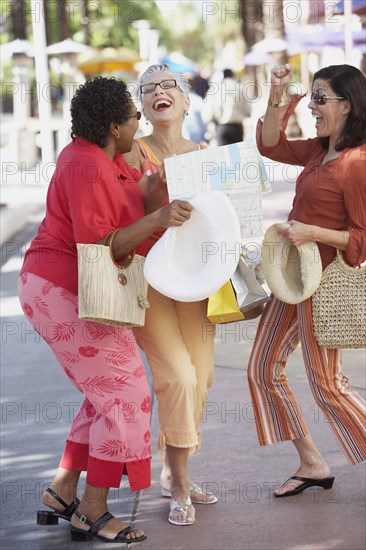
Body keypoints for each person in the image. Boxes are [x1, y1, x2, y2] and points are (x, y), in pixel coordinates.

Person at [18, 76, 192, 543]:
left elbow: (140, 210)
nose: (141, 120)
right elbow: (96, 244)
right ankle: (92, 510)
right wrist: (155, 215)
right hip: (60, 290)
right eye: (135, 116)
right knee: (127, 392)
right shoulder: (85, 164)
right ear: (115, 126)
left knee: (107, 392)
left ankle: (63, 491)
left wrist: (154, 197)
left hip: (77, 291)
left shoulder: (107, 159)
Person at [247, 64, 366, 497]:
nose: (313, 107)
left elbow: (363, 237)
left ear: (347, 105)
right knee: (262, 369)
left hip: (325, 284)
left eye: (320, 98)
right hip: (291, 278)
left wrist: (312, 232)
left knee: (328, 385)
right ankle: (312, 463)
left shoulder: (356, 164)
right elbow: (269, 144)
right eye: (311, 97)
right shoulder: (319, 151)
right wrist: (277, 94)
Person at [124, 64, 218, 526]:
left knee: (201, 377)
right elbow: (120, 219)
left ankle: (172, 468)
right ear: (142, 105)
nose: (160, 92)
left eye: (170, 86)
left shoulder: (204, 155)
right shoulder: (129, 155)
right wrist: (152, 195)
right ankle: (179, 484)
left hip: (197, 279)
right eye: (149, 88)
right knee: (178, 376)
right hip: (149, 278)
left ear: (185, 100)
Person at [203, 68, 251, 145]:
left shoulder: (216, 89)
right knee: (237, 155)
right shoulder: (240, 88)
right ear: (233, 76)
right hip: (237, 128)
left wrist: (210, 123)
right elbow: (248, 109)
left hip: (222, 128)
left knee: (224, 155)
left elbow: (208, 112)